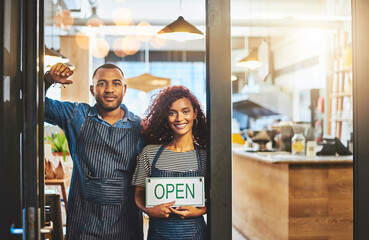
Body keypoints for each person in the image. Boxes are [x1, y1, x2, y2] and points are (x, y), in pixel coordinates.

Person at [44, 63, 143, 239]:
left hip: (126, 230)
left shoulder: (140, 127)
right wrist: (47, 80)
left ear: (124, 89)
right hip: (83, 229)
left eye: (116, 83)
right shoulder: (76, 115)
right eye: (102, 83)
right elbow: (34, 105)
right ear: (92, 89)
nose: (109, 89)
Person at [132, 85, 207, 239]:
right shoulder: (150, 153)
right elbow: (138, 194)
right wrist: (148, 210)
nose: (179, 119)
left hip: (195, 234)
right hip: (158, 234)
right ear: (165, 117)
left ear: (195, 113)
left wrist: (200, 211)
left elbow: (218, 198)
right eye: (172, 113)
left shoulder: (206, 157)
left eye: (185, 111)